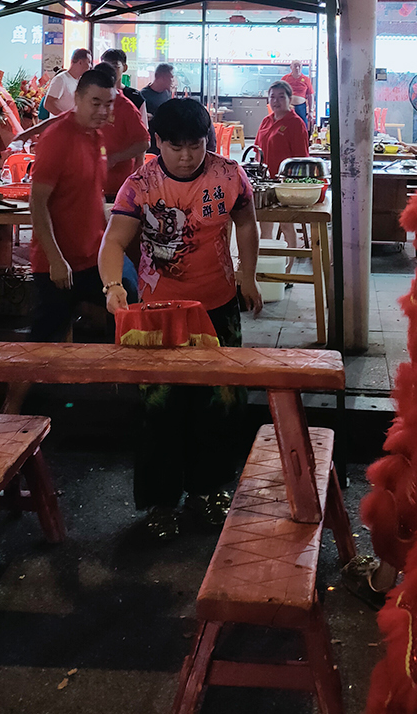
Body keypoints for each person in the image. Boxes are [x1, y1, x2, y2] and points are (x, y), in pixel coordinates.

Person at [99, 97, 262, 539]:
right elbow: (114, 241)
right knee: (160, 409)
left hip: (218, 307)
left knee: (220, 404)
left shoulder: (229, 175)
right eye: (176, 147)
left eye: (196, 145)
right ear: (158, 142)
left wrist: (248, 275)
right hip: (159, 315)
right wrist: (113, 286)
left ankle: (210, 491)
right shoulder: (140, 185)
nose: (187, 156)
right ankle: (161, 502)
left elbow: (247, 224)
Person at [27, 65, 136, 345]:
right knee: (44, 344)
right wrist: (55, 259)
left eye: (108, 104)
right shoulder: (57, 139)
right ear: (77, 98)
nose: (102, 111)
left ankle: (116, 369)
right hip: (58, 263)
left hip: (91, 258)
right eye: (95, 103)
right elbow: (37, 203)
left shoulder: (96, 136)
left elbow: (92, 195)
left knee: (127, 302)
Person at [255, 80, 310, 269]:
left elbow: (301, 158)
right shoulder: (266, 121)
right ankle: (267, 267)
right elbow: (257, 149)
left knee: (286, 224)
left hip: (285, 184)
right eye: (272, 97)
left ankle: (288, 268)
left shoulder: (295, 123)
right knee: (264, 224)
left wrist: (293, 184)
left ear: (289, 99)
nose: (276, 101)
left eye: (281, 97)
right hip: (265, 182)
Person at [96, 61, 150, 201]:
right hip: (92, 182)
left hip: (118, 186)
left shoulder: (126, 107)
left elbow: (144, 143)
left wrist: (115, 158)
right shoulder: (91, 105)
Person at [100, 47, 147, 123]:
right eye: (106, 66)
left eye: (115, 66)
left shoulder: (135, 98)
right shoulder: (96, 94)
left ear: (125, 68)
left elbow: (143, 127)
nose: (110, 71)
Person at [43, 48, 91, 118]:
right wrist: (66, 118)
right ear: (80, 62)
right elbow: (48, 104)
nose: (90, 66)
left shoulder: (81, 81)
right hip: (62, 123)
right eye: (89, 62)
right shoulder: (61, 79)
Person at [280, 61, 314, 127]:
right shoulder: (285, 78)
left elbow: (310, 95)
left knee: (302, 125)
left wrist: (311, 111)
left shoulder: (306, 79)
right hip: (288, 106)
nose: (297, 68)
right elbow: (280, 93)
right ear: (291, 67)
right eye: (295, 66)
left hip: (301, 107)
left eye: (299, 66)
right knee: (286, 125)